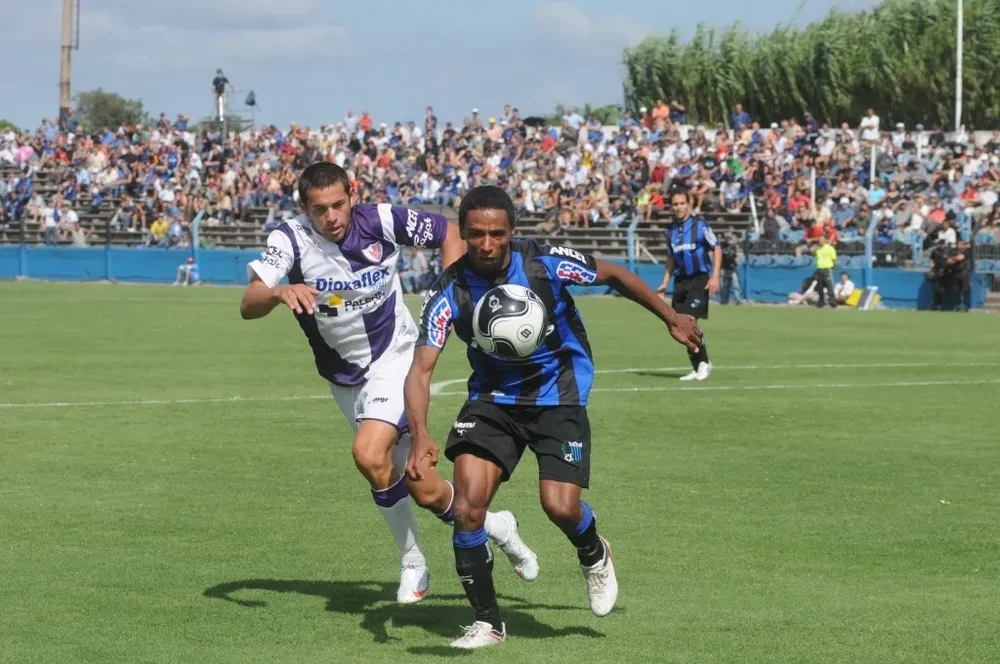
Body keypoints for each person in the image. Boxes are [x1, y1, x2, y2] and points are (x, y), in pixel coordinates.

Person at [403, 185, 702, 649]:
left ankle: (594, 552)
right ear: (462, 234)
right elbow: (421, 369)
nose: (486, 244)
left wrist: (670, 317)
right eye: (476, 234)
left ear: (512, 231)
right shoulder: (448, 289)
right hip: (492, 401)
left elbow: (615, 275)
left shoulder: (543, 263)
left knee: (559, 507)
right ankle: (487, 623)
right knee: (466, 509)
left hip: (558, 396)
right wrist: (420, 432)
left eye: (496, 234)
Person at [239, 163, 537, 606]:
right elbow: (249, 302)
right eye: (319, 209)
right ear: (305, 208)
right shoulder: (290, 239)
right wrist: (280, 292)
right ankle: (499, 527)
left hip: (396, 358)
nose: (332, 216)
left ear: (352, 194)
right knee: (425, 489)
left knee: (366, 452)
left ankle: (413, 561)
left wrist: (452, 294)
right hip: (344, 378)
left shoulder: (381, 220)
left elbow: (447, 233)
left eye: (339, 204)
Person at [656, 190, 721, 381]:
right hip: (680, 282)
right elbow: (670, 259)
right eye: (675, 204)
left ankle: (704, 364)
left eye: (682, 203)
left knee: (690, 322)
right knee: (680, 327)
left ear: (688, 204)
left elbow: (716, 247)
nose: (679, 207)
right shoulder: (669, 231)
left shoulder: (700, 226)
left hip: (699, 279)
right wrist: (664, 283)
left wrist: (715, 276)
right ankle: (697, 366)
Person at [813, 234, 838, 307]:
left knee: (829, 286)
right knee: (820, 287)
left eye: (822, 239)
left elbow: (834, 259)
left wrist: (832, 268)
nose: (820, 241)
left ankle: (832, 301)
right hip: (819, 269)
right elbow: (816, 257)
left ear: (825, 240)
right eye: (819, 240)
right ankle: (821, 301)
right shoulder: (817, 249)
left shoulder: (830, 248)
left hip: (827, 269)